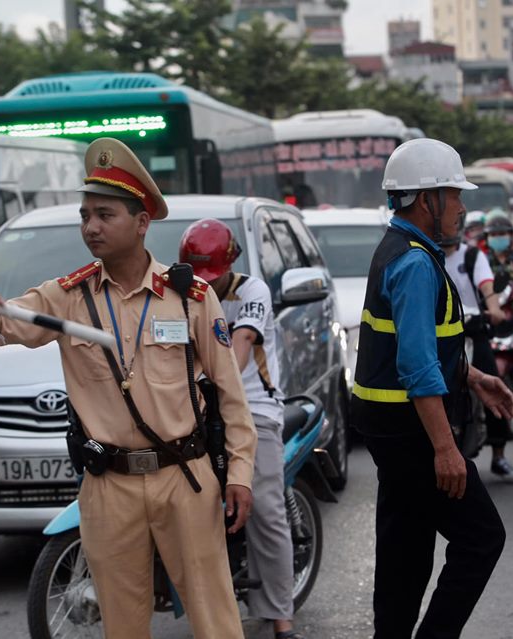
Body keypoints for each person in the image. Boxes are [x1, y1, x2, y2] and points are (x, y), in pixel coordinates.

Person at [0, 138, 257, 639]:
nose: (91, 226)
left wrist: (240, 473)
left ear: (141, 223)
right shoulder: (65, 297)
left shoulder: (191, 298)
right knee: (122, 621)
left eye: (105, 214)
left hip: (185, 477)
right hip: (108, 485)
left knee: (215, 616)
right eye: (85, 214)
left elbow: (230, 393)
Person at [351, 137, 513, 639]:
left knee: (407, 552)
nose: (463, 209)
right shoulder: (416, 263)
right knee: (482, 538)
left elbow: (418, 347)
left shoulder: (402, 249)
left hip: (391, 431)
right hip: (412, 433)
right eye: (455, 195)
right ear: (428, 201)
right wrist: (446, 450)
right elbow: (417, 366)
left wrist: (474, 376)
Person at [180, 218, 303, 639]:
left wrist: (218, 380)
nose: (207, 286)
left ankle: (282, 617)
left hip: (255, 410)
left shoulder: (252, 291)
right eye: (201, 278)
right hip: (195, 409)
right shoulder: (181, 293)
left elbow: (243, 346)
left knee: (266, 510)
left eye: (213, 277)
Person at [440, 225, 513, 483]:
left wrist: (494, 309)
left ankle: (499, 455)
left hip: (474, 331)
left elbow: (487, 287)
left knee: (492, 383)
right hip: (443, 336)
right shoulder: (428, 257)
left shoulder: (473, 256)